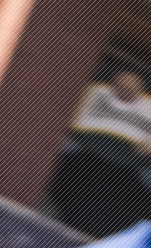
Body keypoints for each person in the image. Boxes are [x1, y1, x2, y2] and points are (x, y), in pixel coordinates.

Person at [49, 71, 151, 236]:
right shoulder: (90, 97)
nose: (126, 91)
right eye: (121, 86)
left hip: (126, 184)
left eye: (132, 89)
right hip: (81, 168)